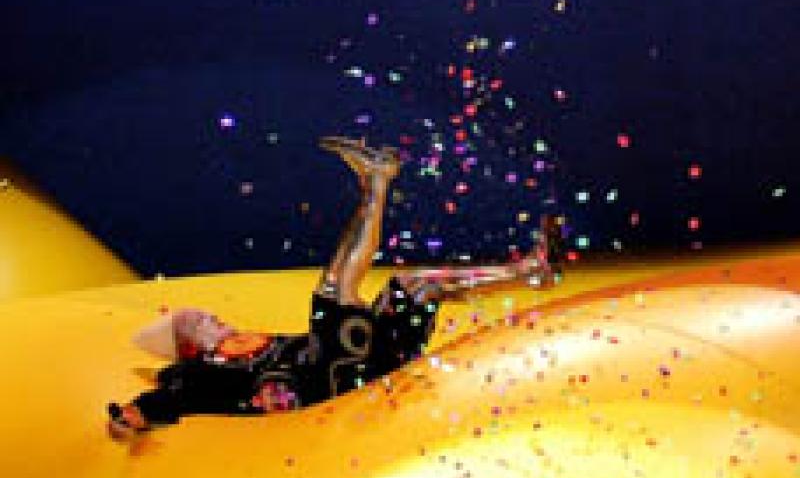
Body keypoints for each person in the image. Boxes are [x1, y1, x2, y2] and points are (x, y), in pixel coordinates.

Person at [107, 136, 556, 440]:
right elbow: (164, 402)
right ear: (188, 348)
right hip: (336, 380)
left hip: (368, 360)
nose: (212, 319)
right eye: (197, 323)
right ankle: (376, 182)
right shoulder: (197, 374)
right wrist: (130, 419)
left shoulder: (260, 343)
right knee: (333, 291)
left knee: (413, 286)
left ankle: (530, 271)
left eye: (207, 315)